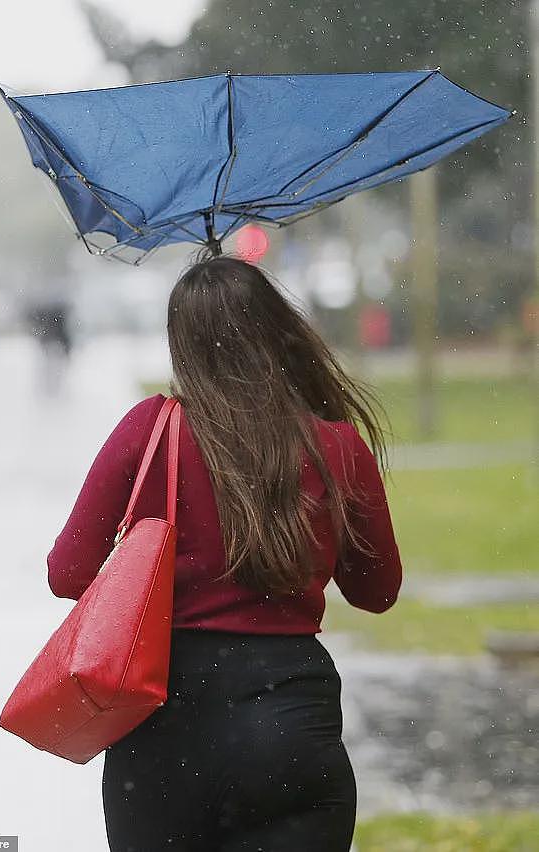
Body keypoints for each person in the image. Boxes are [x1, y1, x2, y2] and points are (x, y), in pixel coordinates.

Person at [46, 252, 403, 851]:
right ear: (277, 332)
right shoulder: (335, 446)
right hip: (293, 727)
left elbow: (67, 573)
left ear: (181, 343)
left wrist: (151, 559)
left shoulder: (152, 431)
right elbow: (377, 592)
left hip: (164, 727)